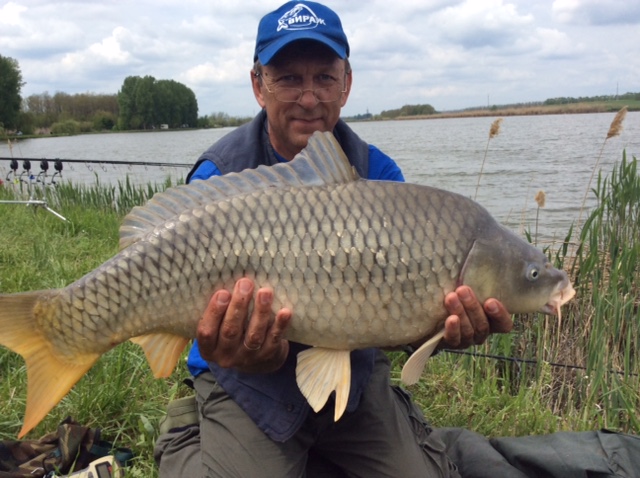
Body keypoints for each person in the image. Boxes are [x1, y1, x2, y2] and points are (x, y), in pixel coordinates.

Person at [153, 2, 511, 476]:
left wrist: (442, 331)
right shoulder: (218, 175)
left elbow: (406, 313)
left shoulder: (379, 175)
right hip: (244, 383)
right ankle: (187, 436)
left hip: (354, 378)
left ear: (347, 84)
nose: (309, 98)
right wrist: (240, 350)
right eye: (288, 79)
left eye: (324, 77)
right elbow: (203, 333)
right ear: (259, 85)